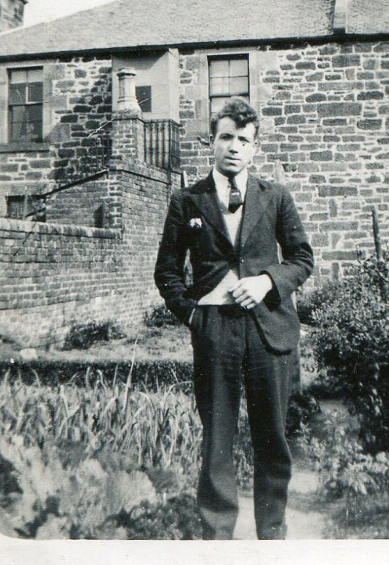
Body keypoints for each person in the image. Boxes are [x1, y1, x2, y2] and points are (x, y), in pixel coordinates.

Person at [154, 98, 314, 540]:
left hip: (268, 329)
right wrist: (193, 315)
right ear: (212, 141)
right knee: (217, 439)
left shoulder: (275, 197)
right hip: (215, 332)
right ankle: (218, 537)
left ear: (255, 148)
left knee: (273, 438)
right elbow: (167, 271)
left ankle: (272, 536)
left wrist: (267, 282)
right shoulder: (187, 200)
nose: (234, 147)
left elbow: (302, 259)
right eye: (226, 137)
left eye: (244, 140)